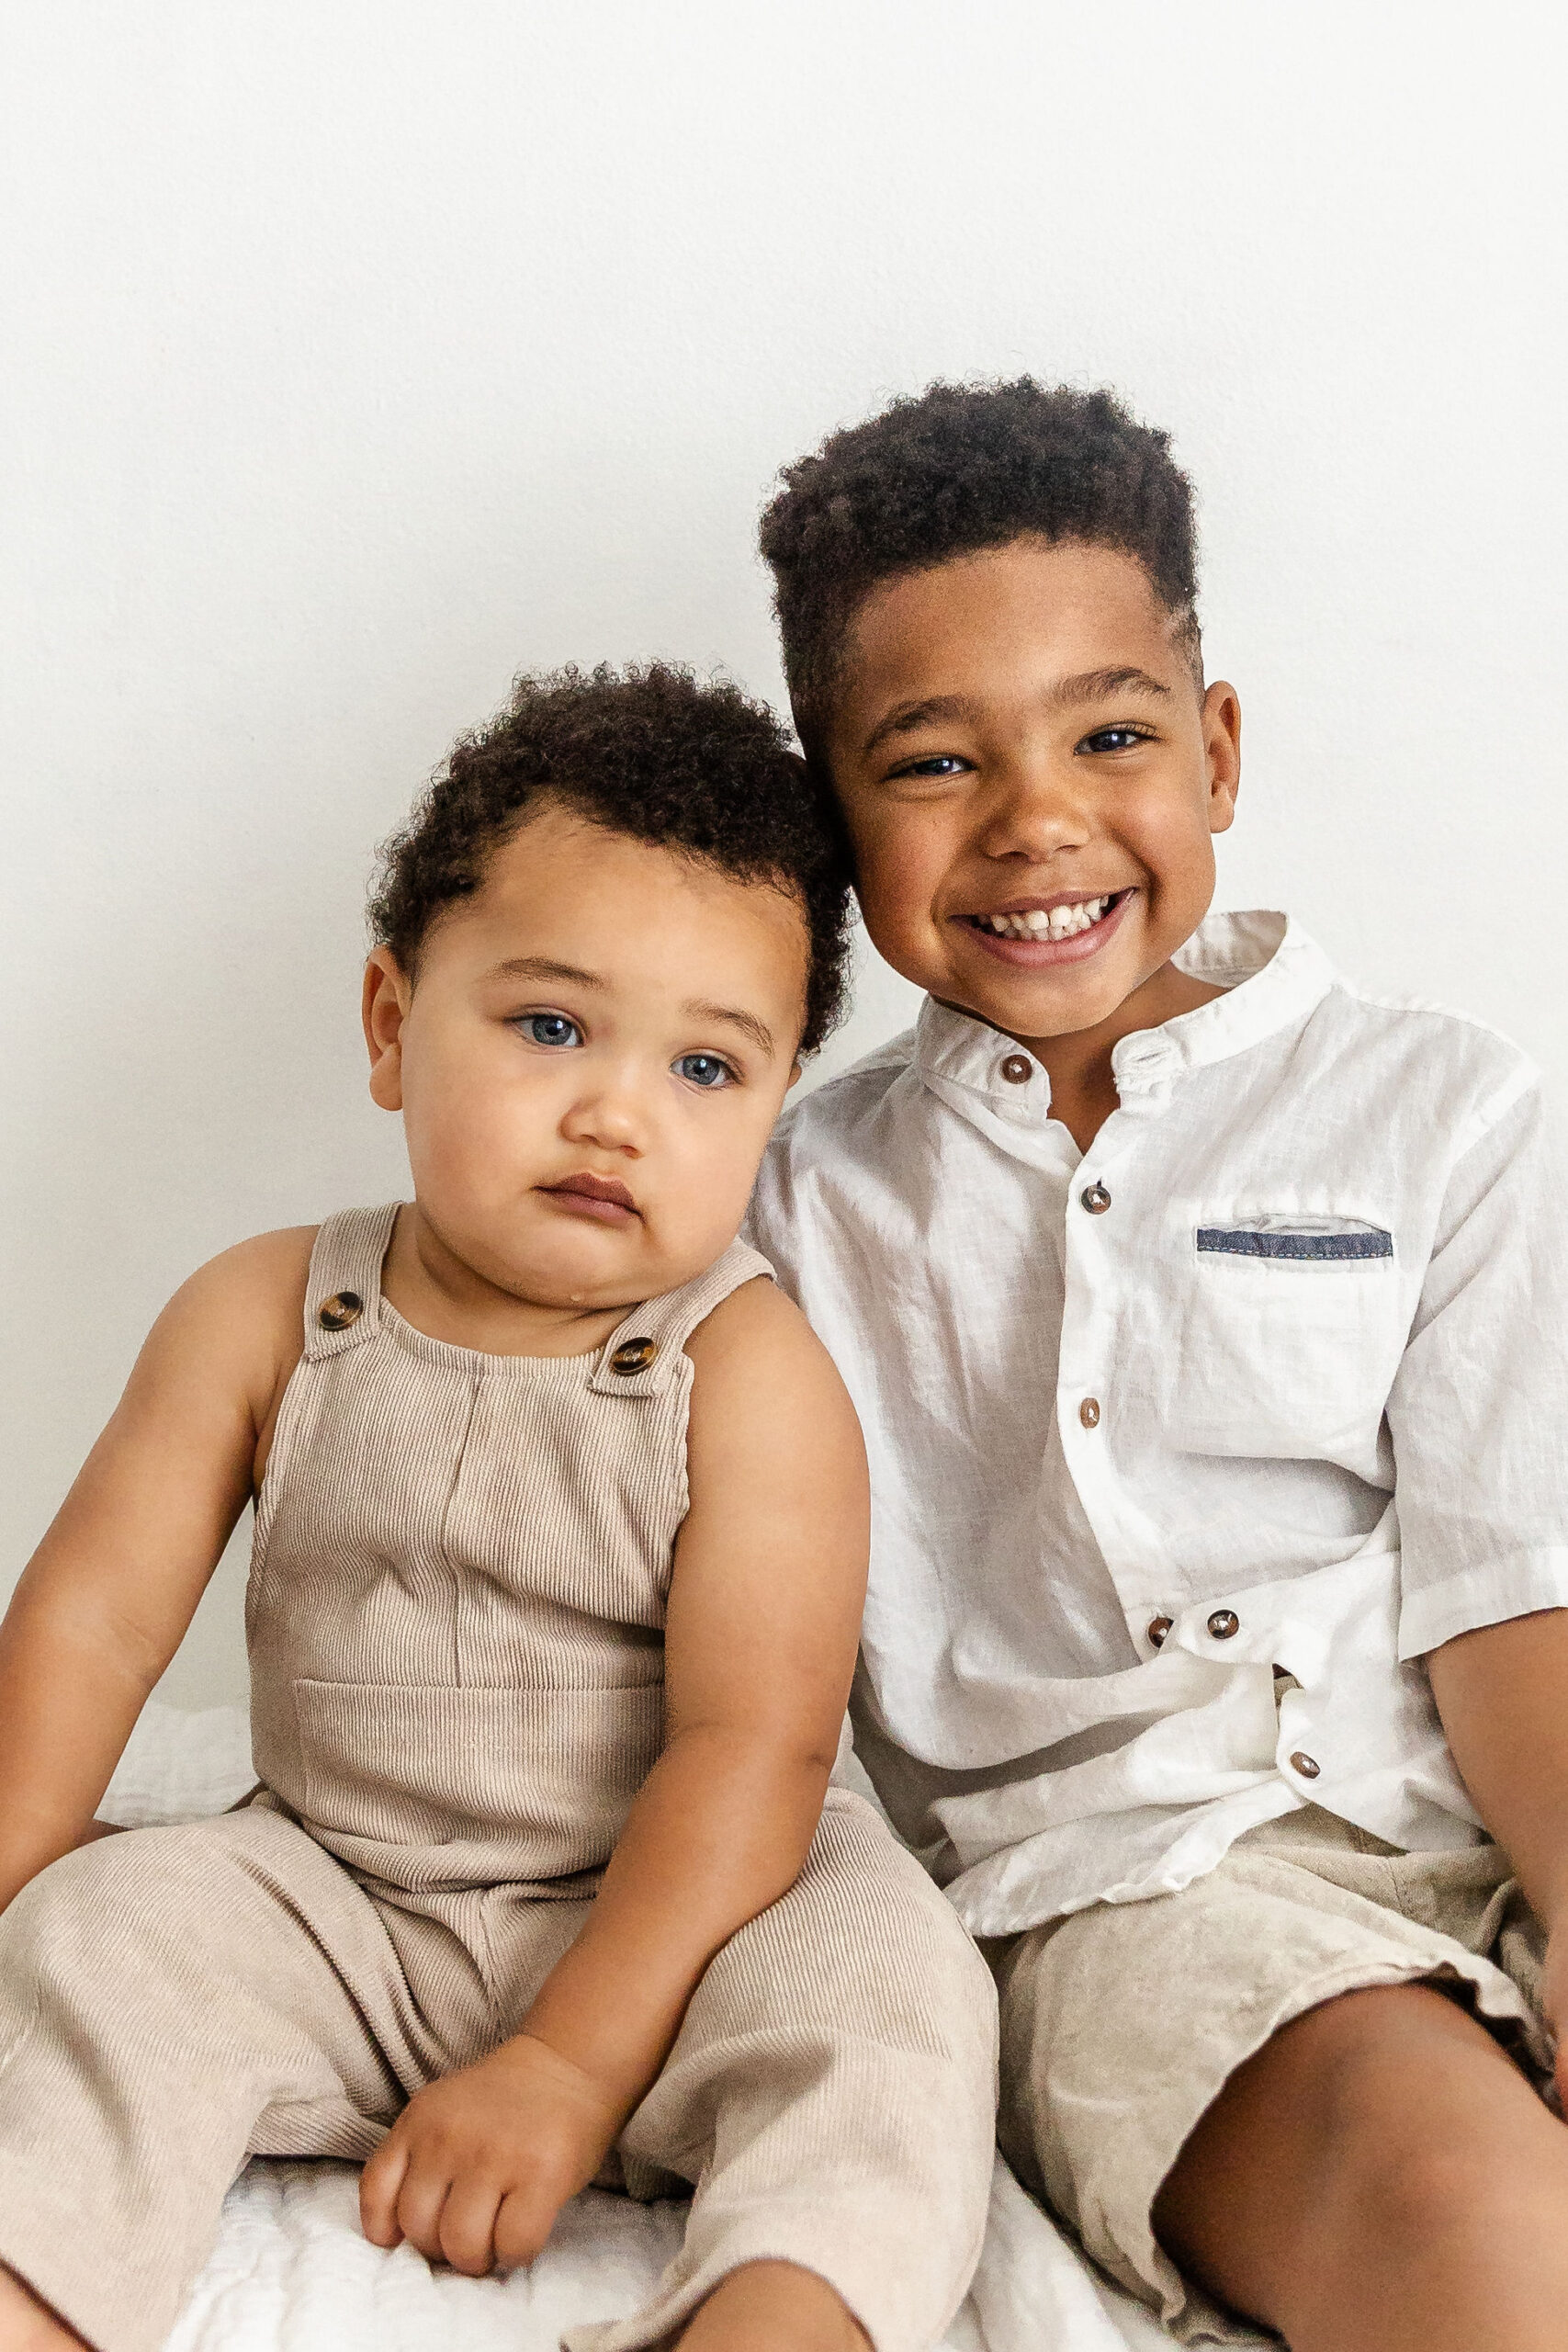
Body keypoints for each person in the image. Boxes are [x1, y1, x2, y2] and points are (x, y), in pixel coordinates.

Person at [0, 664, 998, 2352]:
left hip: (689, 1916)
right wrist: (21, 1869)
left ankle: (772, 2320)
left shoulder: (749, 1375)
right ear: (393, 1023)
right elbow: (93, 1620)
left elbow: (752, 1750)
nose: (616, 1108)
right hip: (338, 1890)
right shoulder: (264, 1312)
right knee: (107, 1936)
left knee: (892, 2009)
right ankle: (40, 2279)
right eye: (550, 1027)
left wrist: (567, 2065)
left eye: (706, 1067)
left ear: (772, 1104)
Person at [748, 379, 1568, 2352]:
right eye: (932, 762)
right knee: (1468, 2218)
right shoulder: (799, 1195)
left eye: (1107, 733)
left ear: (1211, 749)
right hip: (1136, 1897)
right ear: (829, 814)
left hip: (1476, 1824)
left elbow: (1507, 1584)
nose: (1036, 819)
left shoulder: (1438, 1108)